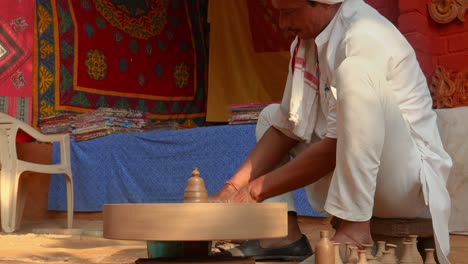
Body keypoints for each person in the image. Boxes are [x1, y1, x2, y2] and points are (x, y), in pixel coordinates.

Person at [211, 0, 452, 263]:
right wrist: (230, 190)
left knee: (355, 72)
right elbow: (286, 129)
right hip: (362, 177)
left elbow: (335, 148)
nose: (282, 24)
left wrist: (253, 192)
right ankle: (281, 235)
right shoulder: (306, 43)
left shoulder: (363, 34)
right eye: (279, 14)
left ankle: (354, 229)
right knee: (271, 117)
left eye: (289, 12)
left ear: (324, 4)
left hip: (406, 185)